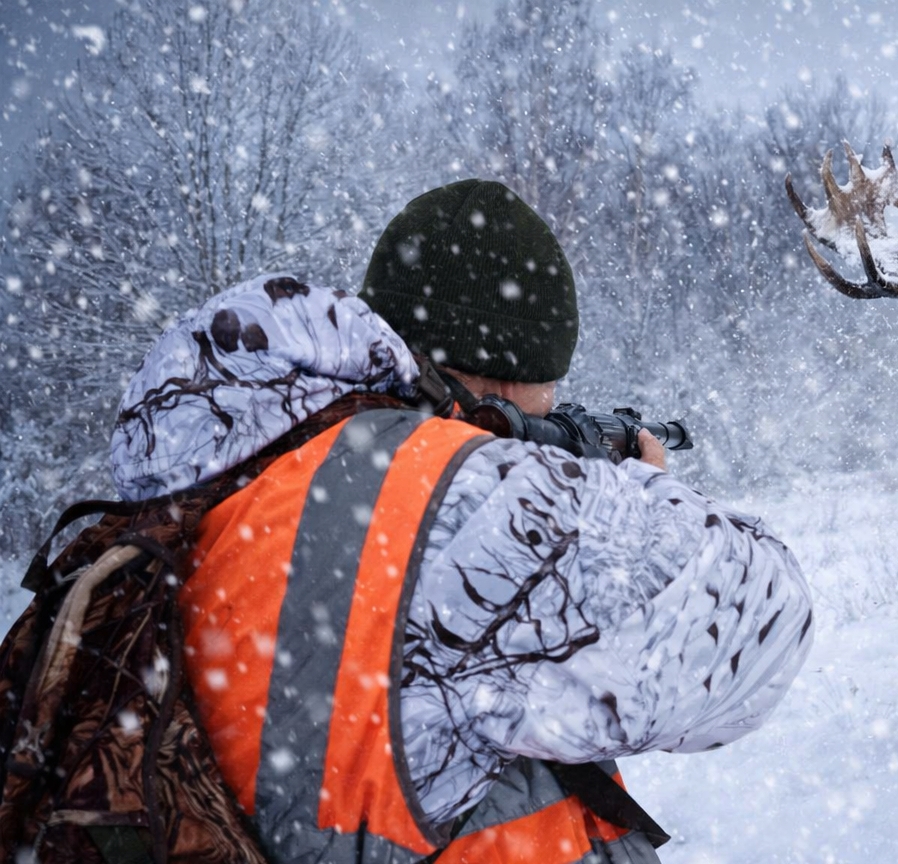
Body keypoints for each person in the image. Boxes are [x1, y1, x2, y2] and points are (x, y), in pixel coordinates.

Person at [107, 179, 814, 863]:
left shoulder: (254, 469)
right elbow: (766, 622)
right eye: (551, 384)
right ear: (506, 379)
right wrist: (644, 494)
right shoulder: (458, 503)